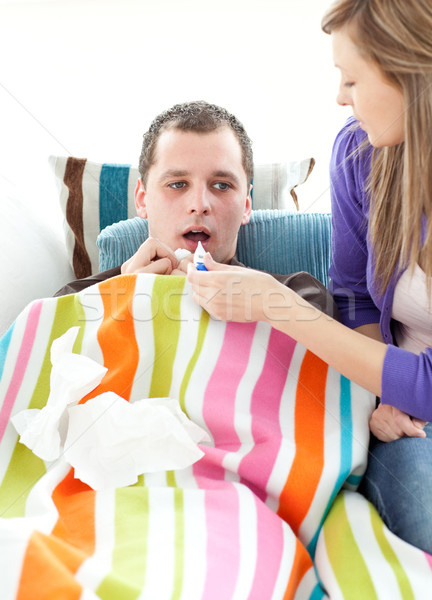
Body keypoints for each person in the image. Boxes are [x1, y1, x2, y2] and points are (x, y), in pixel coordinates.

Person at [187, 0, 432, 554]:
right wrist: (381, 391)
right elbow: (355, 297)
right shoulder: (360, 152)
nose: (340, 97)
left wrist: (277, 305)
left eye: (351, 78)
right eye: (176, 185)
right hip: (402, 408)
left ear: (414, 78)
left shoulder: (295, 291)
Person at [56, 100, 337, 319]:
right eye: (178, 184)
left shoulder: (303, 297)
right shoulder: (73, 302)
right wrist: (121, 301)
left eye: (222, 186)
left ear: (246, 206)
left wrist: (260, 308)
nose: (199, 205)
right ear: (142, 199)